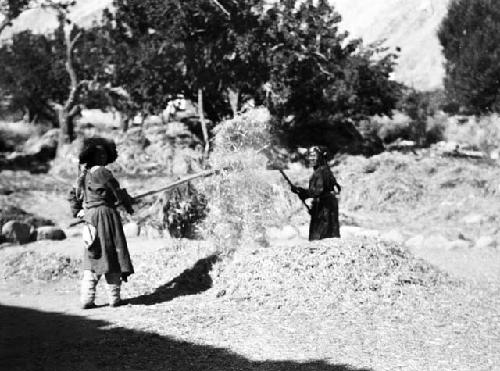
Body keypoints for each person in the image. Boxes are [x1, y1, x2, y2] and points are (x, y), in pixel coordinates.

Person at [69, 138, 134, 309]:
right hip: (105, 216)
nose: (103, 157)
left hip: (90, 218)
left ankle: (87, 299)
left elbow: (73, 196)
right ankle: (114, 299)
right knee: (111, 253)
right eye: (100, 154)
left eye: (105, 153)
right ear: (92, 156)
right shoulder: (103, 172)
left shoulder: (85, 175)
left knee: (93, 254)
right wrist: (127, 203)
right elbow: (116, 192)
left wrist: (79, 211)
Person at [292, 146, 341, 240]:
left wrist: (302, 192)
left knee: (320, 238)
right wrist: (302, 192)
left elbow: (317, 192)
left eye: (314, 155)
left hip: (324, 209)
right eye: (310, 156)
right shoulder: (325, 170)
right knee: (329, 237)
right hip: (325, 206)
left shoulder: (321, 172)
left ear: (320, 157)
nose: (311, 158)